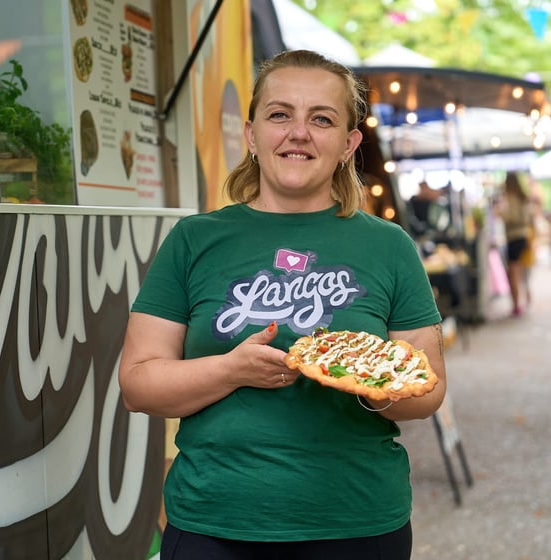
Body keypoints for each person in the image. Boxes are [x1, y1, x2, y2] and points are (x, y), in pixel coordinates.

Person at [118, 49, 446, 559]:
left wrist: (368, 381)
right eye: (279, 115)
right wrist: (231, 370)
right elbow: (138, 385)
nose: (299, 133)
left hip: (357, 523)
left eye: (322, 119)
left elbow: (429, 391)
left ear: (348, 143)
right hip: (214, 521)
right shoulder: (193, 240)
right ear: (251, 135)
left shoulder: (389, 246)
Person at [499, 172, 533, 316]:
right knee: (522, 271)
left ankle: (516, 305)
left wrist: (500, 213)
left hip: (513, 237)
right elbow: (529, 217)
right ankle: (526, 297)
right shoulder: (523, 197)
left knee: (513, 273)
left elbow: (510, 217)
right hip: (524, 236)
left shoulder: (509, 198)